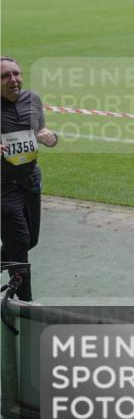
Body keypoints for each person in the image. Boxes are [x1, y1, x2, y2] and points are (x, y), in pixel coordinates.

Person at [1, 56, 58, 301]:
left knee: (29, 240)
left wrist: (51, 137)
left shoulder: (32, 100)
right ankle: (25, 305)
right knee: (20, 242)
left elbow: (45, 134)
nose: (14, 79)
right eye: (5, 76)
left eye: (17, 73)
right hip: (3, 188)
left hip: (30, 181)